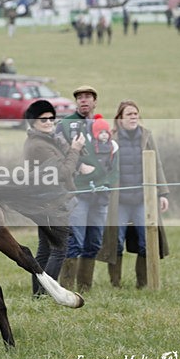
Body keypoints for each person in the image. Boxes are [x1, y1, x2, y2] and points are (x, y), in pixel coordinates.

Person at [98, 101, 170, 288]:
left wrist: (162, 193)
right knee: (116, 242)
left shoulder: (147, 136)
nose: (133, 117)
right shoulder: (111, 138)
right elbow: (103, 166)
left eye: (135, 114)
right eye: (129, 114)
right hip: (119, 201)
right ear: (120, 119)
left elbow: (157, 164)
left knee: (147, 240)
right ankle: (115, 283)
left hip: (143, 200)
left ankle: (143, 283)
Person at [56, 86, 119, 292]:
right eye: (80, 98)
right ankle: (67, 288)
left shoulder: (102, 126)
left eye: (88, 97)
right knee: (75, 241)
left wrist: (108, 182)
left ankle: (85, 288)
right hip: (78, 192)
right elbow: (58, 150)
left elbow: (112, 156)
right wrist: (78, 165)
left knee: (94, 242)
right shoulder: (65, 125)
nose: (84, 100)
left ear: (95, 101)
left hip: (101, 193)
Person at [23, 100, 84, 294]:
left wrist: (71, 148)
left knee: (45, 249)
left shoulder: (48, 141)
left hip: (46, 200)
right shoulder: (39, 146)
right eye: (43, 120)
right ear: (33, 122)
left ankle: (39, 294)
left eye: (51, 118)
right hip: (51, 201)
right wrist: (75, 150)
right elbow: (63, 172)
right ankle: (48, 293)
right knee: (59, 249)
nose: (49, 122)